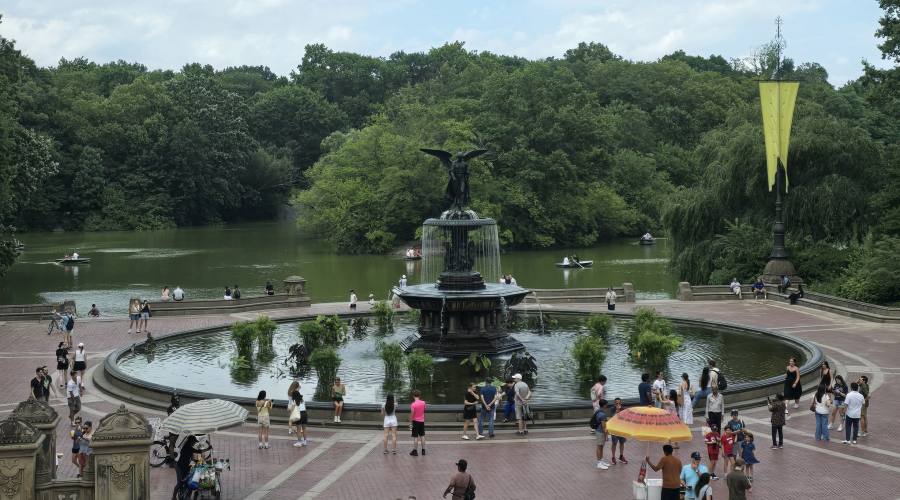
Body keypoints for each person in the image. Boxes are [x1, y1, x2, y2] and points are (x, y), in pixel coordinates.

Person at [608, 398, 629, 464]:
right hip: (614, 429)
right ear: (614, 404)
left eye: (619, 403)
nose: (618, 404)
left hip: (622, 429)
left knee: (622, 442)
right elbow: (612, 418)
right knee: (614, 443)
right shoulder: (612, 409)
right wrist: (617, 410)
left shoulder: (623, 409)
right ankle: (613, 457)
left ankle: (621, 456)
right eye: (617, 403)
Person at [591, 398, 609, 470]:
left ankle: (601, 461)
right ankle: (599, 463)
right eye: (606, 405)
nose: (607, 406)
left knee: (601, 447)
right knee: (599, 446)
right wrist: (606, 436)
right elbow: (604, 426)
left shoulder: (598, 411)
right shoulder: (602, 415)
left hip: (598, 431)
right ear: (604, 405)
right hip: (600, 432)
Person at [409, 390, 427, 456]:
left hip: (415, 422)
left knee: (415, 437)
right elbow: (424, 410)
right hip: (422, 421)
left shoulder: (413, 404)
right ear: (419, 395)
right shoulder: (423, 403)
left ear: (413, 396)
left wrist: (410, 422)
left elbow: (412, 414)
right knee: (422, 436)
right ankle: (423, 450)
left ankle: (415, 451)